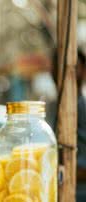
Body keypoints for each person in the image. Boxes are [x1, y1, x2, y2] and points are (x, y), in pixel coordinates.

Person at [46, 48, 86, 201]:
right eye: (56, 66)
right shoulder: (52, 107)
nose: (58, 71)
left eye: (70, 67)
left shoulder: (81, 108)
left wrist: (64, 170)